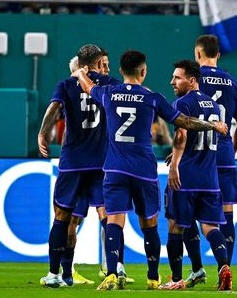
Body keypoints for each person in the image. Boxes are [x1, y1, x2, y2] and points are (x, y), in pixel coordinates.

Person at [73, 50, 228, 290]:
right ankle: (153, 278)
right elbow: (184, 123)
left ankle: (112, 273)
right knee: (150, 224)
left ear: (121, 71)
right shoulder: (152, 98)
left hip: (114, 169)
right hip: (144, 170)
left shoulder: (108, 93)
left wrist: (81, 72)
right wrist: (213, 125)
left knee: (114, 221)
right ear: (143, 71)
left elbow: (87, 86)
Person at [38, 45, 121, 288]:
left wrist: (43, 134)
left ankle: (56, 274)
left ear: (82, 64)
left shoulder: (66, 84)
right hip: (101, 162)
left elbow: (54, 108)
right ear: (98, 64)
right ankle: (113, 273)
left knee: (62, 217)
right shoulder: (111, 84)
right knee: (108, 215)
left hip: (73, 162)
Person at [180, 35, 237, 285]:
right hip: (225, 154)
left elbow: (184, 123)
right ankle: (225, 270)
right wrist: (231, 144)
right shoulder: (234, 82)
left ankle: (197, 269)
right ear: (218, 54)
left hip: (197, 156)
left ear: (197, 55)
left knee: (187, 212)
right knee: (226, 214)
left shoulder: (192, 80)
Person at [160, 59, 232, 291]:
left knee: (175, 227)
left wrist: (175, 165)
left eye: (177, 77)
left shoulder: (182, 102)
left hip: (186, 177)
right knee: (211, 228)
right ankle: (224, 267)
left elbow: (181, 135)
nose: (172, 81)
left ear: (191, 81)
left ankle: (177, 279)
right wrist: (178, 154)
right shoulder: (212, 105)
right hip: (210, 179)